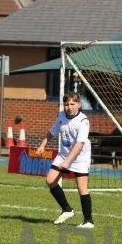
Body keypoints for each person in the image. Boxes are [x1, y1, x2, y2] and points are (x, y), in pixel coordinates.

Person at [36, 92, 94, 228]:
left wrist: (67, 162)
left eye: (73, 104)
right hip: (63, 154)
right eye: (67, 104)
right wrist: (42, 145)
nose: (69, 107)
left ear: (79, 105)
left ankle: (88, 221)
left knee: (82, 188)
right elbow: (52, 131)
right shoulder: (61, 115)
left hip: (80, 158)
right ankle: (67, 209)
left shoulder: (83, 121)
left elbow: (79, 144)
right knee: (50, 180)